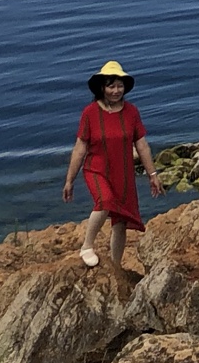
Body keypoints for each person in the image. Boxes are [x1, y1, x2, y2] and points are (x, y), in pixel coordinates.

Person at [62, 59, 162, 269]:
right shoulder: (90, 113)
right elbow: (80, 147)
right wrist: (69, 180)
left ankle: (115, 265)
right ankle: (87, 247)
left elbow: (142, 145)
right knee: (105, 201)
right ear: (102, 88)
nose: (116, 91)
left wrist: (152, 175)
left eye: (119, 86)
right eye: (111, 86)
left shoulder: (131, 112)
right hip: (96, 169)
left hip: (123, 173)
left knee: (121, 221)